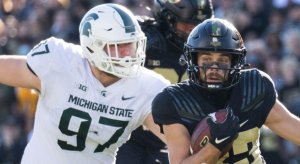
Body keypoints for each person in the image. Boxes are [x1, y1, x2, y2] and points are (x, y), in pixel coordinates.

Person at [0, 3, 170, 164]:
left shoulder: (147, 86)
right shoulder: (60, 61)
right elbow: (8, 68)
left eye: (131, 44)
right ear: (93, 46)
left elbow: (181, 141)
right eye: (119, 46)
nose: (128, 54)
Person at [151, 18, 300, 163]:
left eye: (222, 60)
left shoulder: (253, 88)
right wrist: (214, 147)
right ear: (193, 59)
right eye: (206, 59)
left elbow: (294, 129)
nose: (214, 68)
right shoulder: (175, 101)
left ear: (235, 62)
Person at [116, 0, 213, 163]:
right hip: (127, 134)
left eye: (198, 24)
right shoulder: (142, 39)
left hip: (167, 140)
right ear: (167, 17)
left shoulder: (205, 50)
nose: (192, 30)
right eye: (185, 23)